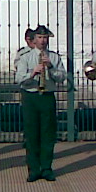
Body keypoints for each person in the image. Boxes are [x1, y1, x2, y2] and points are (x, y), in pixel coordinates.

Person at [16, 25, 66, 182]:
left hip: (47, 96)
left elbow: (62, 77)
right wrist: (33, 73)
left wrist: (50, 67)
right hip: (31, 96)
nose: (43, 41)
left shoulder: (54, 57)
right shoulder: (26, 57)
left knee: (47, 133)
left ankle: (46, 168)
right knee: (32, 134)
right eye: (39, 37)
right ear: (34, 39)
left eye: (45, 38)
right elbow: (19, 79)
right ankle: (33, 169)